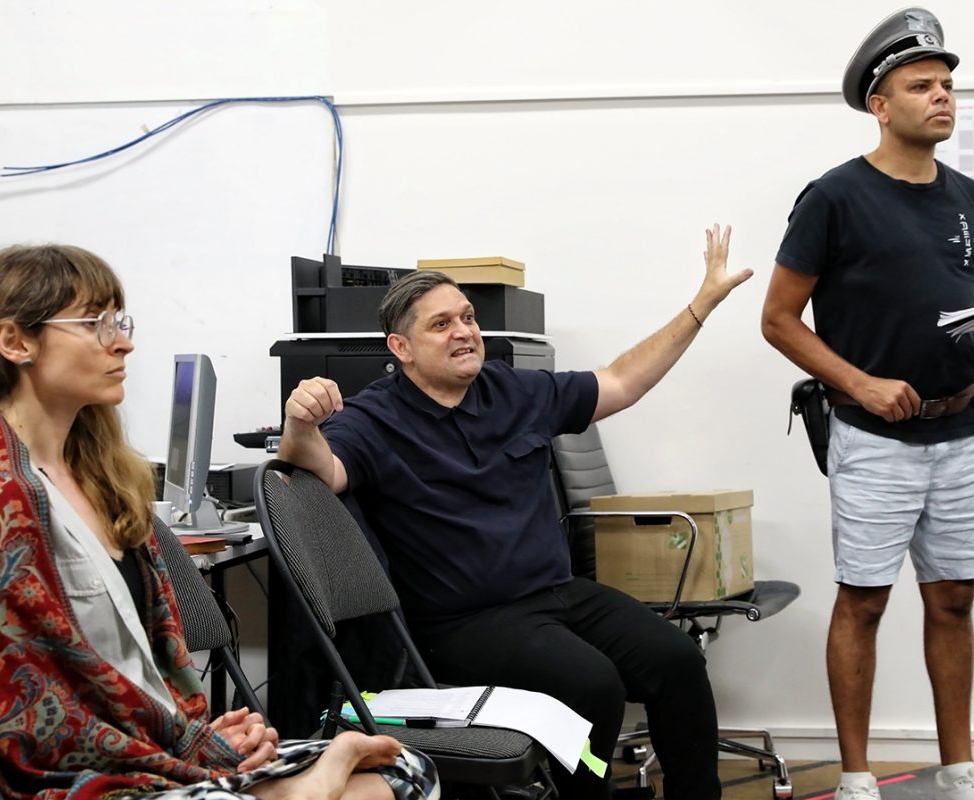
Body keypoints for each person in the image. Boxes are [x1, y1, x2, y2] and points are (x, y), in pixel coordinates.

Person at [0, 244, 438, 800]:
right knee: (374, 781)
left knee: (407, 767)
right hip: (60, 783)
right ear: (14, 341)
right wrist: (183, 752)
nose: (123, 342)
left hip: (143, 750)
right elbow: (34, 727)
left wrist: (199, 739)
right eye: (95, 324)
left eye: (119, 322)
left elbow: (140, 670)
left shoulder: (99, 477)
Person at [279, 225, 752, 800]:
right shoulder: (375, 418)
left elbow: (622, 381)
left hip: (557, 593)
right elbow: (323, 468)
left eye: (468, 317)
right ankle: (585, 796)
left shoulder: (513, 391)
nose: (464, 331)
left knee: (678, 662)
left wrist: (700, 306)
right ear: (400, 348)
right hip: (464, 624)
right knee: (593, 687)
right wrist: (299, 424)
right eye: (441, 324)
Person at [761, 9, 974, 800]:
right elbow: (778, 320)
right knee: (864, 601)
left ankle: (959, 767)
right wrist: (859, 383)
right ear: (880, 105)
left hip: (965, 428)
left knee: (953, 598)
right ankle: (856, 777)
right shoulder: (835, 197)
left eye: (947, 85)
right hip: (874, 436)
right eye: (922, 86)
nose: (942, 96)